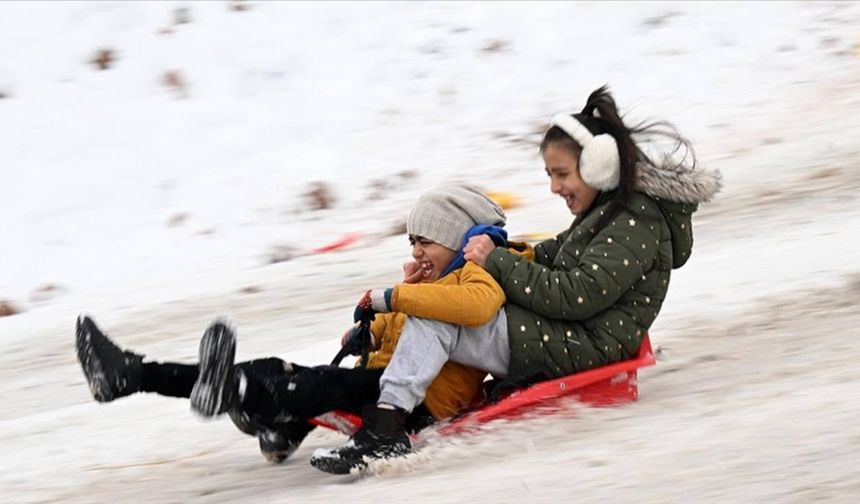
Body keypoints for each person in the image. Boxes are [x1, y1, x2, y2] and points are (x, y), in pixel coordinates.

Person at [310, 85, 722, 474]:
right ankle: (396, 404)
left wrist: (500, 264)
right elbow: (554, 255)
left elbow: (578, 295)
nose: (554, 187)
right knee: (450, 305)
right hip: (571, 334)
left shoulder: (634, 222)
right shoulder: (611, 214)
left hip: (585, 344)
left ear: (599, 166)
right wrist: (503, 253)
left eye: (561, 174)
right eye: (549, 175)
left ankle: (387, 427)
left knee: (438, 315)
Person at [75, 184, 530, 464]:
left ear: (457, 239)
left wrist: (399, 296)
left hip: (419, 402)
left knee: (310, 384)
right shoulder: (429, 284)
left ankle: (241, 396)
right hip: (384, 380)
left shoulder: (472, 278)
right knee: (279, 368)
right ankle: (133, 375)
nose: (414, 252)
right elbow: (404, 337)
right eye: (411, 242)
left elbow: (471, 311)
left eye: (424, 242)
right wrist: (372, 330)